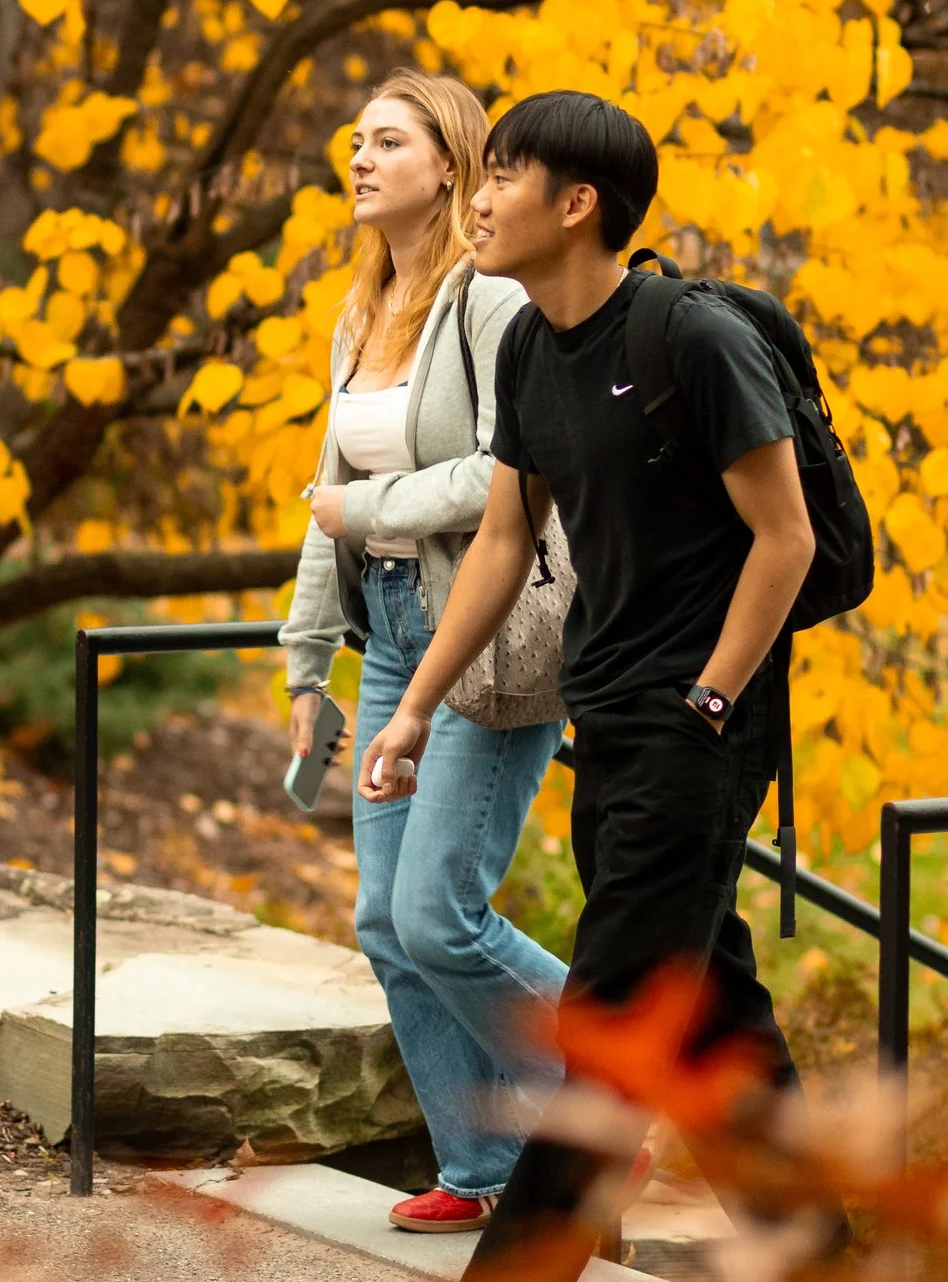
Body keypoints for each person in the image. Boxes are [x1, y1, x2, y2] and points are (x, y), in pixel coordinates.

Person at [357, 90, 835, 1279]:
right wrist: (418, 702)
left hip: (699, 718)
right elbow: (507, 542)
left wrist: (714, 698)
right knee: (712, 1007)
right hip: (608, 708)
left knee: (609, 1025)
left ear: (578, 205)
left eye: (504, 174)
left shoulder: (690, 340)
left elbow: (788, 538)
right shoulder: (527, 344)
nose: (479, 196)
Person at [278, 69, 570, 1235]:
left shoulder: (487, 303)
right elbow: (323, 499)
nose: (359, 156)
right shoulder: (362, 309)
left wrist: (371, 508)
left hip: (483, 633)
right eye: (355, 140)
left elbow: (510, 479)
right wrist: (308, 664)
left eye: (386, 140)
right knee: (384, 922)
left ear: (447, 162)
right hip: (389, 630)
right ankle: (484, 1161)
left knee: (441, 907)